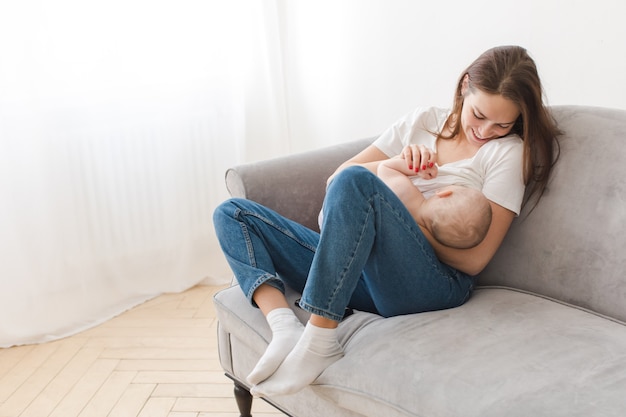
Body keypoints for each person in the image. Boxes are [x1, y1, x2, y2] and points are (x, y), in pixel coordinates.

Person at [212, 45, 561, 398]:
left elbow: (474, 260)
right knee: (233, 214)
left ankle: (319, 339)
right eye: (479, 114)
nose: (485, 131)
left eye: (503, 124)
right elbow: (336, 183)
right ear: (464, 87)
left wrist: (407, 210)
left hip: (433, 283)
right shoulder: (422, 122)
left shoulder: (507, 152)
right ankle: (284, 325)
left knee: (359, 182)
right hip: (362, 271)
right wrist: (397, 167)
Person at [377, 155, 492, 249]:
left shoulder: (406, 195)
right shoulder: (419, 239)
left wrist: (416, 168)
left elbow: (385, 168)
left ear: (444, 193)